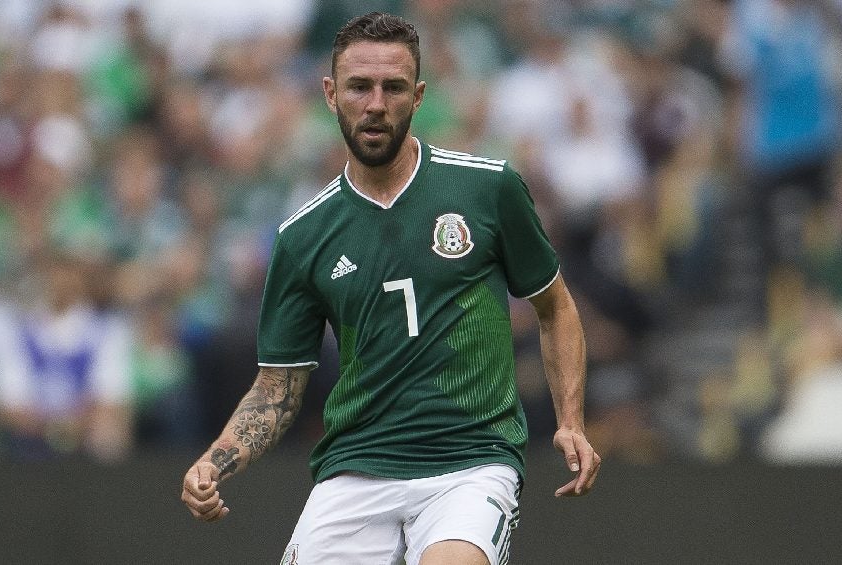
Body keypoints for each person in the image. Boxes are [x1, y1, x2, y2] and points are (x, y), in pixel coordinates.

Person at [180, 12, 600, 565]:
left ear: (419, 95)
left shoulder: (487, 188)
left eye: (393, 87)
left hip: (470, 460)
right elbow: (277, 388)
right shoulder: (303, 236)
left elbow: (555, 307)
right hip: (356, 468)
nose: (375, 103)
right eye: (359, 86)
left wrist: (572, 421)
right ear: (330, 94)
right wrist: (215, 460)